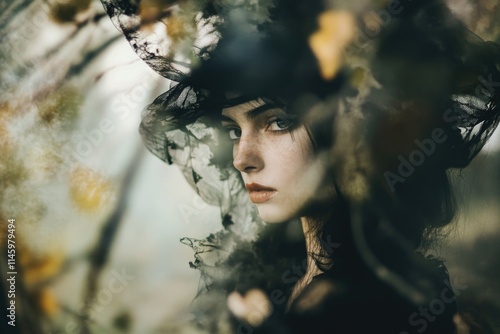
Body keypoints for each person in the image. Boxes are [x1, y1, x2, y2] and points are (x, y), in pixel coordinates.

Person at [101, 0, 500, 332]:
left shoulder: (393, 305)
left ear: (358, 129)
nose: (242, 158)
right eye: (234, 129)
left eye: (278, 122)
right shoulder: (264, 276)